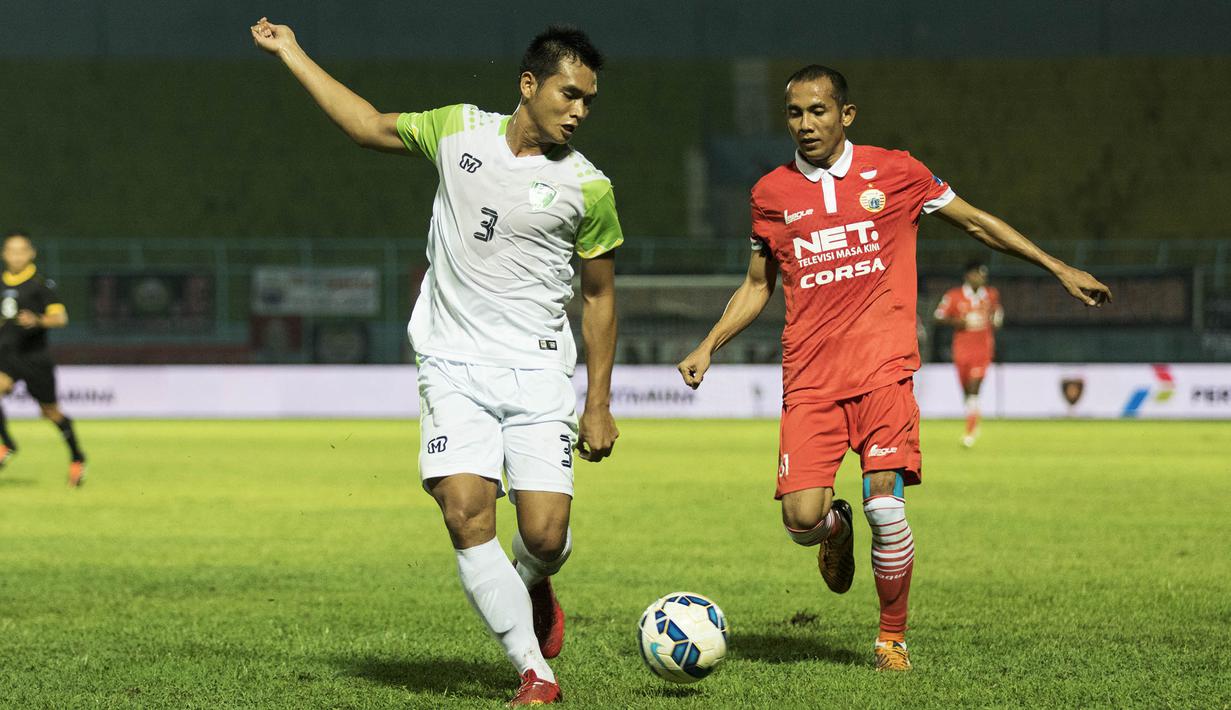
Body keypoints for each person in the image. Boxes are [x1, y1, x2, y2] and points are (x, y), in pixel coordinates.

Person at [677, 65, 1110, 671]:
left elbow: (978, 222)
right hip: (809, 380)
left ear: (845, 115)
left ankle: (890, 638)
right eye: (795, 113)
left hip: (885, 370)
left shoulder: (898, 172)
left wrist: (1057, 266)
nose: (806, 124)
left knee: (887, 503)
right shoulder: (770, 194)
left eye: (818, 111)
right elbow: (757, 286)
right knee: (800, 520)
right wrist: (709, 344)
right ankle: (833, 529)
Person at [252, 19, 621, 705]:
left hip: (538, 371)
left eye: (588, 101)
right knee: (463, 511)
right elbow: (364, 124)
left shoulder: (587, 187)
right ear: (528, 85)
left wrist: (597, 400)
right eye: (569, 94)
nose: (579, 110)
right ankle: (534, 674)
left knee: (544, 535)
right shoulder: (458, 131)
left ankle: (532, 583)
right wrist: (293, 50)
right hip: (451, 363)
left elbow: (598, 297)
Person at [0, 231, 88, 486]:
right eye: (11, 251)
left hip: (35, 359)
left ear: (31, 253)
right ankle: (7, 445)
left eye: (21, 251)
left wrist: (37, 320)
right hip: (6, 356)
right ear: (5, 254)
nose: (16, 256)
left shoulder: (40, 284)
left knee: (50, 412)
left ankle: (77, 457)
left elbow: (61, 318)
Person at [934, 259, 1003, 447]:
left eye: (984, 275)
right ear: (968, 275)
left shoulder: (990, 294)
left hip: (983, 350)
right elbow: (938, 316)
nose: (982, 279)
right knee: (967, 392)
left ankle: (970, 432)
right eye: (978, 274)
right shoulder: (954, 295)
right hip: (961, 350)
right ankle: (974, 418)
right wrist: (957, 322)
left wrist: (997, 320)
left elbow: (998, 314)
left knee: (974, 388)